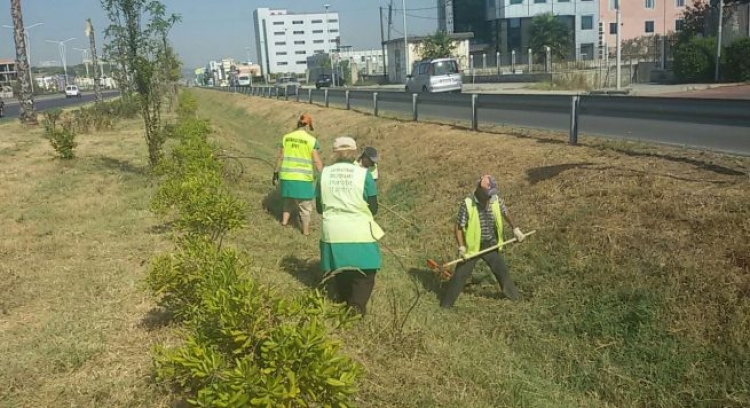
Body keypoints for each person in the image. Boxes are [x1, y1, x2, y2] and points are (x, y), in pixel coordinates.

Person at [316, 136, 383, 315]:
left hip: (332, 230)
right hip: (358, 229)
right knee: (367, 271)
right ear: (355, 152)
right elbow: (374, 207)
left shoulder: (324, 173)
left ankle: (342, 301)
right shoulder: (364, 175)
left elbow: (318, 207)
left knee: (341, 267)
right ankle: (355, 308)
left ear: (334, 152)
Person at [440, 174, 528, 307]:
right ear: (480, 190)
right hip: (472, 248)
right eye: (488, 193)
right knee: (459, 276)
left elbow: (506, 212)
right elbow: (458, 227)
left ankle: (516, 299)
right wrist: (462, 248)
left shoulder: (495, 199)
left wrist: (516, 229)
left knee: (502, 271)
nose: (490, 196)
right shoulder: (468, 204)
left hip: (490, 243)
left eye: (491, 193)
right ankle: (445, 305)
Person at [273, 113, 324, 236]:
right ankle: (305, 232)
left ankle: (284, 223)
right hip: (303, 179)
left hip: (286, 176)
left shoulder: (287, 137)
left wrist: (275, 172)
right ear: (308, 126)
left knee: (289, 200)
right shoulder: (311, 141)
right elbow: (316, 161)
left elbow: (280, 156)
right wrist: (323, 175)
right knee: (305, 207)